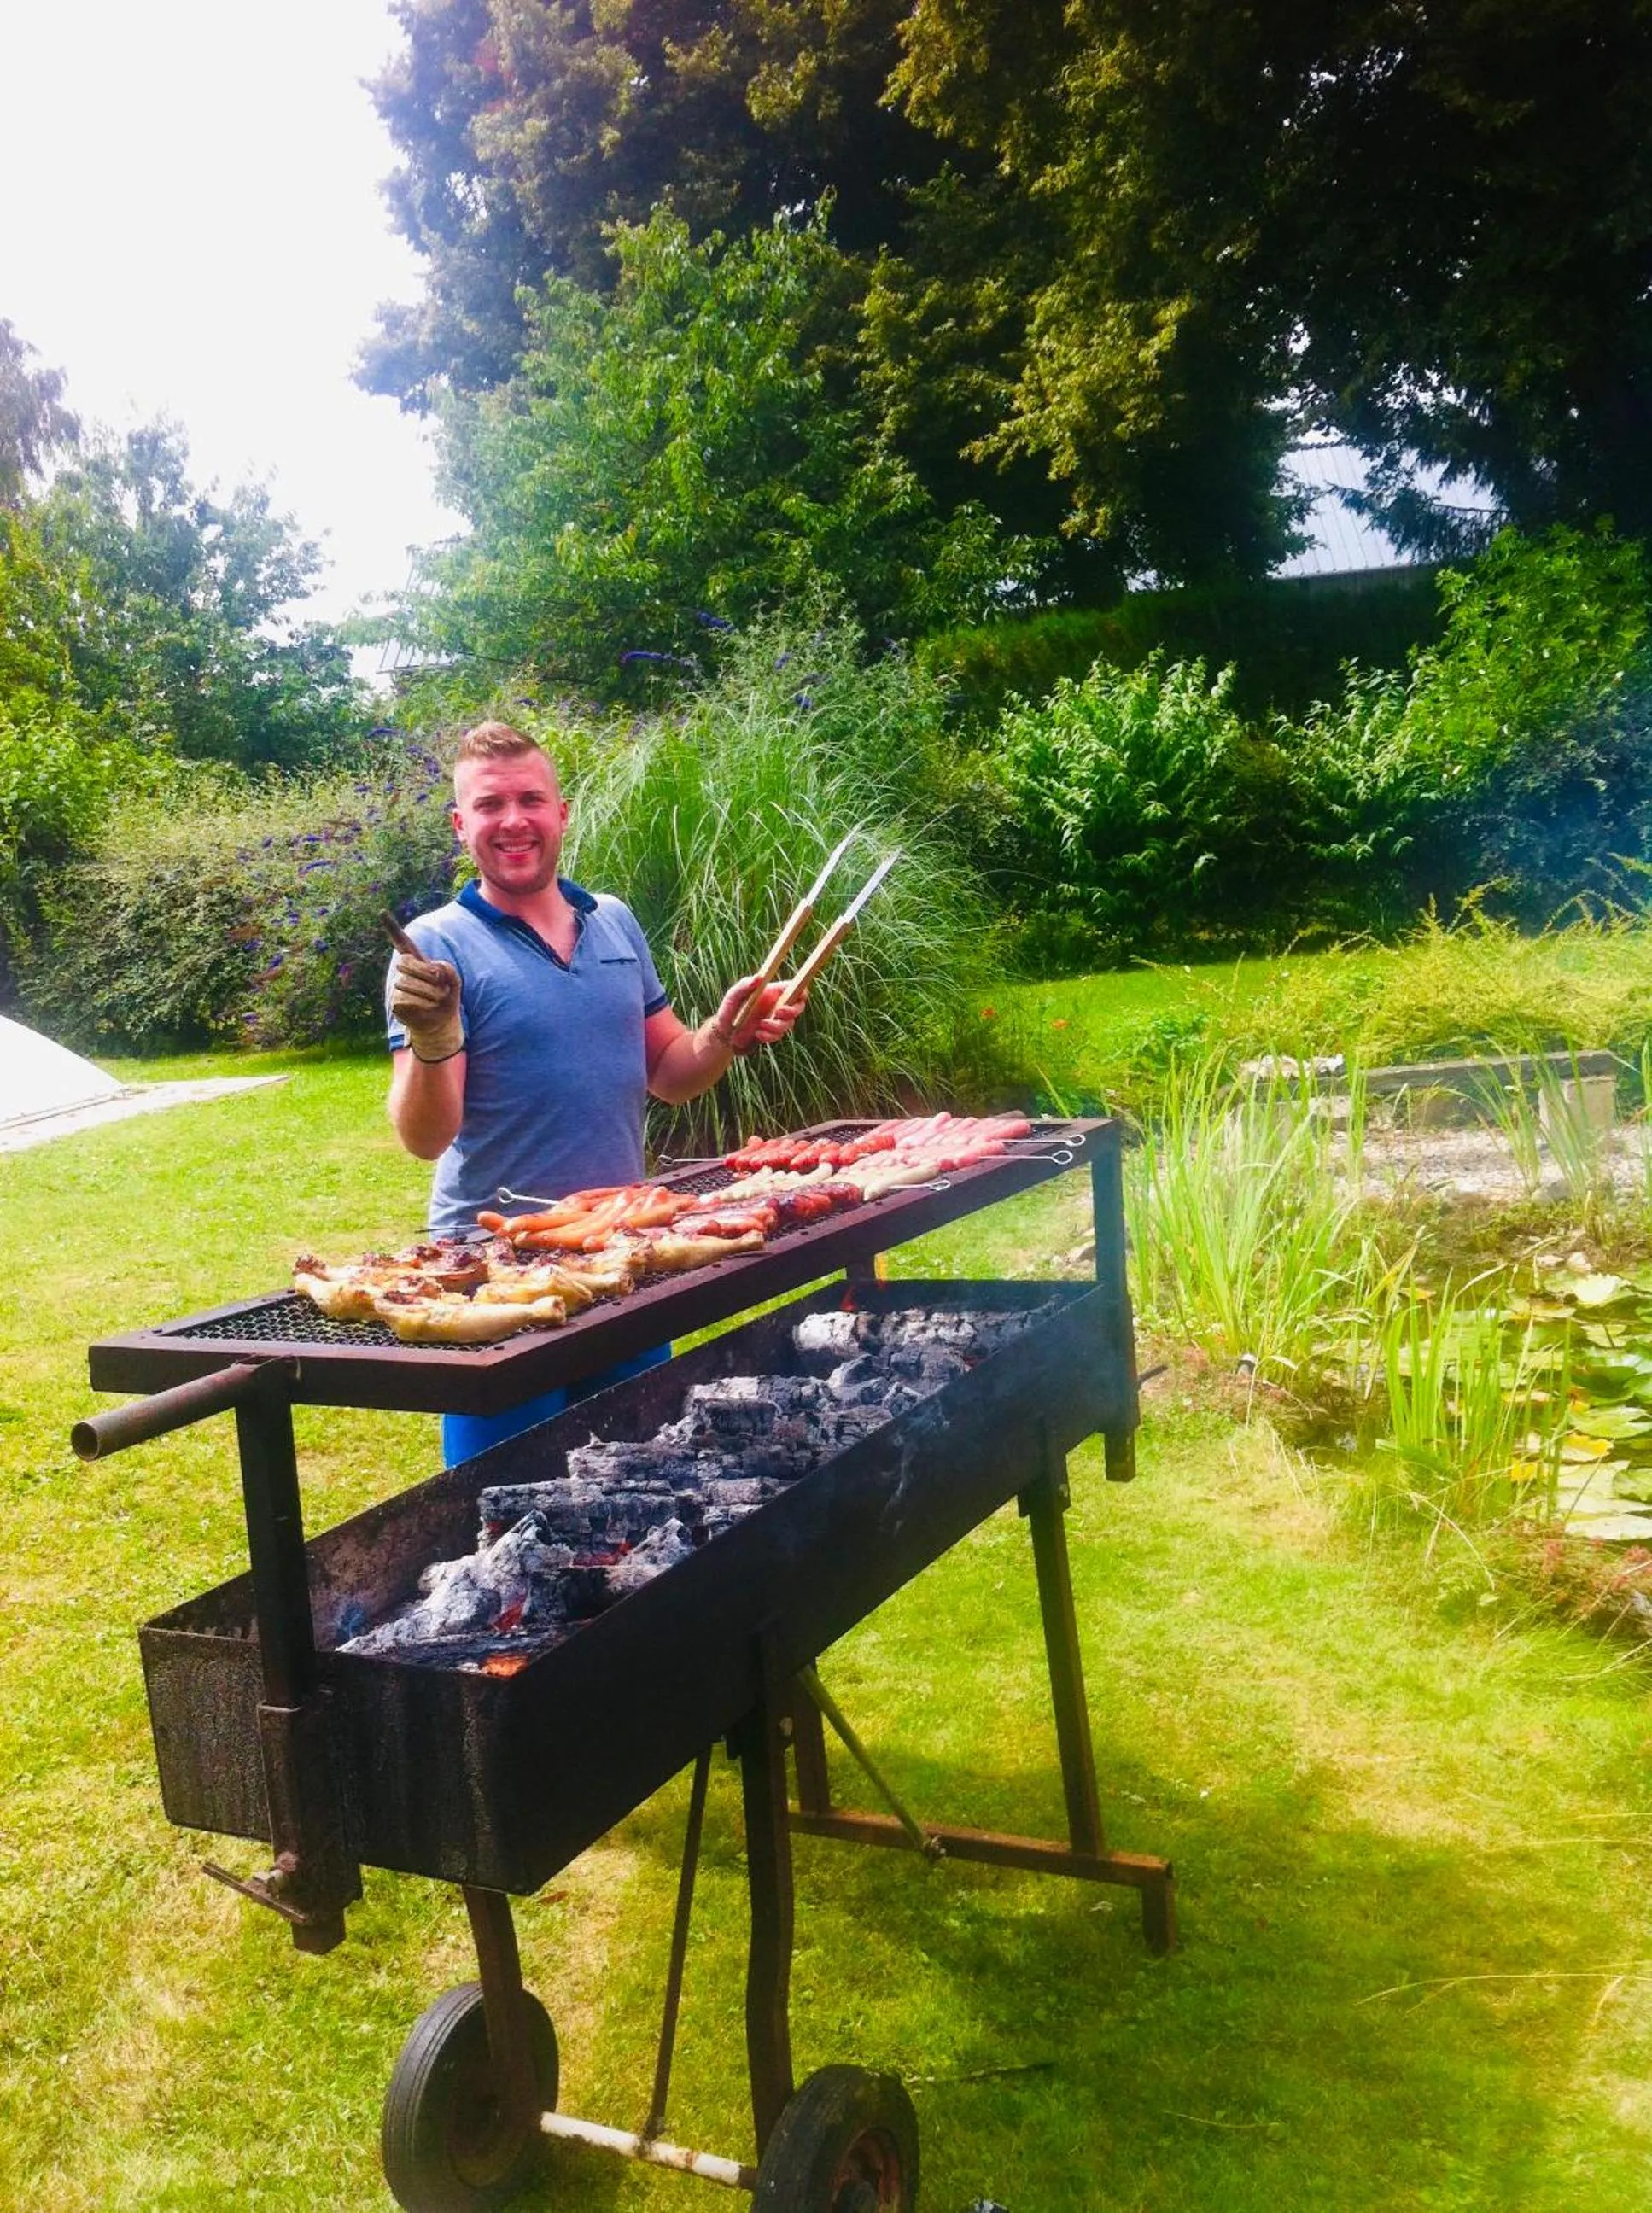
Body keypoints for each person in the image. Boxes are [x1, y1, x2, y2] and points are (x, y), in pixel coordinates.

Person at [386, 720, 803, 1463]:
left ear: (561, 813)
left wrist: (725, 1034)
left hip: (624, 1252)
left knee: (639, 1474)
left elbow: (671, 1072)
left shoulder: (612, 921)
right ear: (460, 825)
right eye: (488, 806)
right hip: (495, 1267)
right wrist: (431, 1038)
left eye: (529, 800)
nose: (512, 821)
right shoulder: (433, 948)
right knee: (503, 1494)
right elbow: (425, 1137)